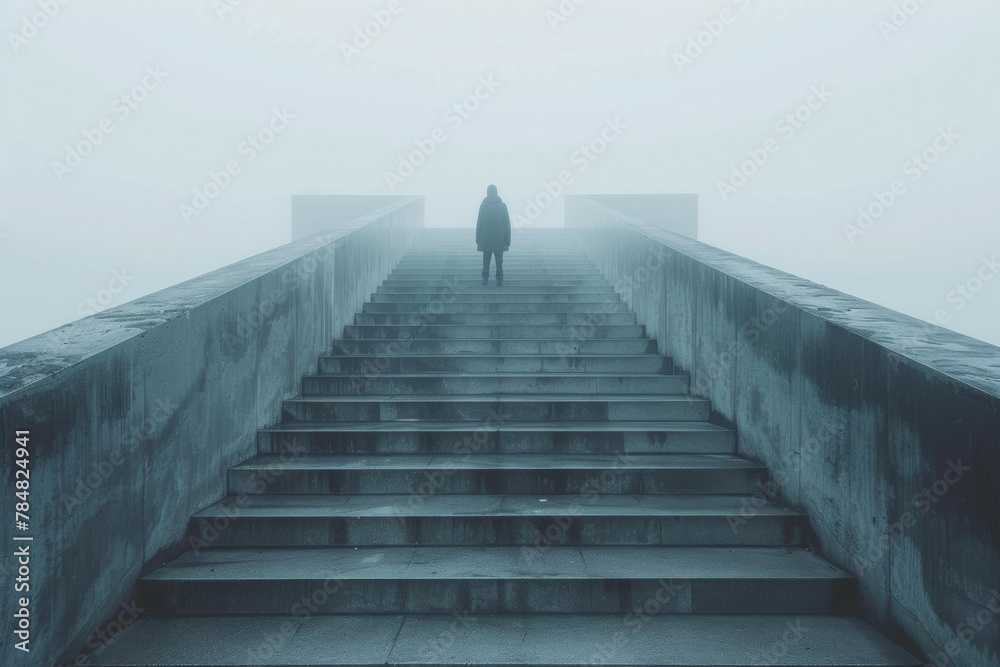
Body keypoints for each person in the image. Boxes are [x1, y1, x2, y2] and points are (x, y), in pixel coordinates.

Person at [476, 184, 511, 286]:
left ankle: (485, 279)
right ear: (496, 192)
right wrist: (507, 240)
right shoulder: (502, 206)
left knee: (486, 261)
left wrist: (477, 239)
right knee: (499, 261)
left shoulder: (483, 206)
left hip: (485, 239)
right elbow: (506, 224)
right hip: (499, 239)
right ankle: (499, 280)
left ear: (487, 192)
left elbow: (479, 223)